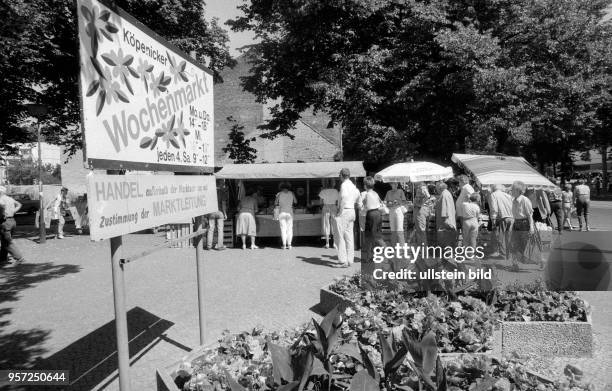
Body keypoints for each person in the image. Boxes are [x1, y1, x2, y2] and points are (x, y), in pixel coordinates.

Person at [335, 168, 361, 267]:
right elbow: (358, 198)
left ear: (342, 175)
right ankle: (350, 259)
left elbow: (344, 198)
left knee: (340, 236)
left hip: (345, 210)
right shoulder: (354, 186)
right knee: (349, 237)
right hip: (352, 211)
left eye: (339, 175)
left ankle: (342, 260)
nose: (339, 177)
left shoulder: (344, 185)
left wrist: (339, 212)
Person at [360, 176, 386, 263]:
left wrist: (362, 204)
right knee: (376, 235)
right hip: (378, 214)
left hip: (371, 215)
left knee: (369, 237)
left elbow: (363, 206)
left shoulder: (366, 194)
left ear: (365, 186)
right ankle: (373, 256)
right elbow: (381, 203)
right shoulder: (375, 193)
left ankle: (369, 257)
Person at [510, 181, 535, 272]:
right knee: (514, 245)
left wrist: (531, 227)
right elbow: (514, 215)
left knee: (523, 246)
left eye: (512, 189)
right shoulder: (513, 200)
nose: (511, 191)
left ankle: (540, 261)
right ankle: (515, 265)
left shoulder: (525, 200)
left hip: (524, 224)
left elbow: (530, 215)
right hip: (516, 223)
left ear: (517, 190)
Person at [0, 186, 26, 266]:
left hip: (5, 222)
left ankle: (19, 258)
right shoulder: (10, 198)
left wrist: (3, 213)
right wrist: (13, 211)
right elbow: (19, 204)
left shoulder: (1, 199)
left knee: (7, 241)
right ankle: (2, 259)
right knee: (4, 241)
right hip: (12, 221)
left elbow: (2, 206)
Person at [488, 184, 514, 260]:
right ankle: (509, 255)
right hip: (511, 217)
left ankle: (503, 255)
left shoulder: (493, 195)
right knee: (509, 237)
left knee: (501, 237)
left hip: (502, 217)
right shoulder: (507, 195)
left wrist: (493, 220)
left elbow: (494, 208)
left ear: (493, 189)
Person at [205, 181, 228, 250]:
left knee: (211, 229)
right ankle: (219, 246)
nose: (223, 186)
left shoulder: (209, 193)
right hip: (220, 212)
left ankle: (209, 246)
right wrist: (225, 213)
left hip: (211, 212)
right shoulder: (222, 192)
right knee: (220, 230)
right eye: (223, 185)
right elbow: (223, 204)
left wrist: (207, 214)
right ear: (220, 185)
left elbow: (207, 204)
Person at [434, 182, 457, 248]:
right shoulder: (446, 193)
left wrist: (444, 222)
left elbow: (445, 210)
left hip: (445, 222)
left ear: (439, 188)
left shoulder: (444, 195)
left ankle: (446, 256)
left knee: (446, 240)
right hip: (447, 221)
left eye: (436, 188)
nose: (436, 190)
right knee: (447, 240)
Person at [276, 182, 297, 249]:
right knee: (290, 229)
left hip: (282, 213)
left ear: (281, 187)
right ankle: (289, 245)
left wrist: (278, 198)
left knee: (283, 229)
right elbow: (296, 202)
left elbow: (275, 203)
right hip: (289, 213)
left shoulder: (279, 194)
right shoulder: (291, 193)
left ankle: (284, 245)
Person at [318, 179, 339, 248]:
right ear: (333, 184)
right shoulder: (336, 191)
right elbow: (337, 201)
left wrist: (322, 206)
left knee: (326, 224)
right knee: (334, 225)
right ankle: (334, 243)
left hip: (326, 206)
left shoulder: (323, 191)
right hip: (333, 206)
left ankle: (327, 243)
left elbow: (320, 202)